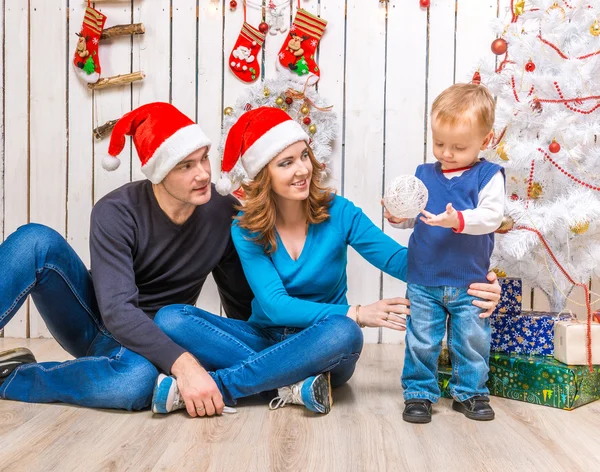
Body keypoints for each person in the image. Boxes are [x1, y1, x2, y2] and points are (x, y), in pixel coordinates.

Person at [151, 106, 501, 417]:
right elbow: (274, 307)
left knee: (344, 332)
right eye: (286, 163)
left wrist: (471, 275)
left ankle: (220, 387)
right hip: (264, 336)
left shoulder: (339, 212)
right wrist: (358, 312)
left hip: (325, 344)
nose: (302, 169)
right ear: (263, 175)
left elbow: (401, 261)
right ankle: (291, 386)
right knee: (171, 317)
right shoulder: (245, 229)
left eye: (304, 156)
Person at [0, 102, 253, 411]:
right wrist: (183, 364)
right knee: (34, 240)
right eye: (185, 166)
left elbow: (239, 297)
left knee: (134, 383)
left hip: (160, 336)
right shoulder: (117, 211)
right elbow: (118, 312)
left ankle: (11, 377)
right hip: (99, 323)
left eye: (203, 159)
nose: (202, 174)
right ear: (159, 172)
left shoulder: (222, 211)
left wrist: (257, 352)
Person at [385, 84, 504, 423]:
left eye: (458, 147)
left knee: (471, 341)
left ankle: (469, 393)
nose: (447, 153)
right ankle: (419, 394)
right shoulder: (423, 175)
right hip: (424, 277)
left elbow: (492, 217)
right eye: (439, 144)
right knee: (422, 340)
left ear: (486, 139)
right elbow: (416, 217)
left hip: (469, 281)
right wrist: (399, 217)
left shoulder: (487, 176)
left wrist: (459, 219)